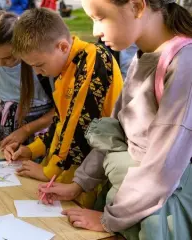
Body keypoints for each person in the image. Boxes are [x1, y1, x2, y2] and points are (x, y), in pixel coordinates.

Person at [38, 0, 192, 238]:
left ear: (137, 7)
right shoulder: (142, 58)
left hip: (157, 217)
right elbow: (113, 131)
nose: (95, 32)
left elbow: (163, 168)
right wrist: (78, 185)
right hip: (129, 206)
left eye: (100, 18)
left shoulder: (184, 65)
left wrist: (110, 220)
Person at [4, 8, 123, 208]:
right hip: (75, 173)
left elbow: (79, 126)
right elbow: (61, 122)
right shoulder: (65, 67)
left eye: (39, 65)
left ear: (62, 46)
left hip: (95, 175)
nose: (38, 72)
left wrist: (49, 171)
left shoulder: (94, 59)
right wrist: (32, 150)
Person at [0, 11, 54, 149]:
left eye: (8, 57)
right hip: (8, 138)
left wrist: (26, 130)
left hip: (42, 141)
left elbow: (60, 110)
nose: (0, 63)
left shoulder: (40, 66)